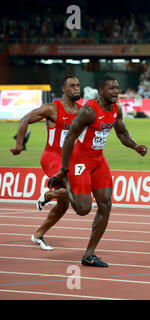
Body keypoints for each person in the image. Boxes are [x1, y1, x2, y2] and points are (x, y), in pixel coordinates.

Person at [51, 75, 148, 266]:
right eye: (111, 88)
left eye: (117, 88)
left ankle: (89, 254)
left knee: (106, 205)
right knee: (83, 209)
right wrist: (64, 169)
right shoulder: (89, 110)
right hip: (80, 160)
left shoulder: (115, 109)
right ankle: (66, 182)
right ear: (101, 91)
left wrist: (135, 146)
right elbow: (70, 137)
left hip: (98, 161)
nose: (116, 92)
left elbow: (122, 133)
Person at [10, 75, 82, 250]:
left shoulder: (82, 112)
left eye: (78, 85)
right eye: (72, 85)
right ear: (63, 89)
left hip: (70, 161)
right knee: (78, 194)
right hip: (52, 158)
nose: (77, 88)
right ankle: (48, 195)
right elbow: (25, 119)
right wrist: (19, 145)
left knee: (65, 204)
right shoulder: (52, 109)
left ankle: (38, 235)